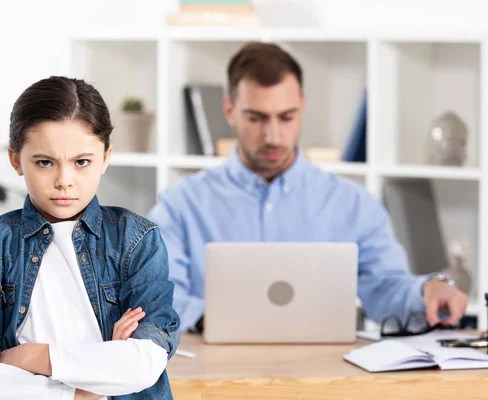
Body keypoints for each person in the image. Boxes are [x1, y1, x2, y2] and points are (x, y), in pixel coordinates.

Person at [147, 42, 468, 334]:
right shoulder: (180, 205)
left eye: (286, 117)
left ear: (302, 105)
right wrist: (216, 318)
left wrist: (428, 289)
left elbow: (386, 288)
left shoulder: (353, 204)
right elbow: (158, 295)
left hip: (325, 380)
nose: (273, 136)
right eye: (256, 118)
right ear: (230, 111)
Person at [0, 76, 180, 400]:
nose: (64, 181)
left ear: (105, 158)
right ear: (16, 160)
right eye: (44, 162)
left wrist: (32, 357)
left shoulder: (136, 241)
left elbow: (144, 362)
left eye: (81, 162)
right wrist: (86, 389)